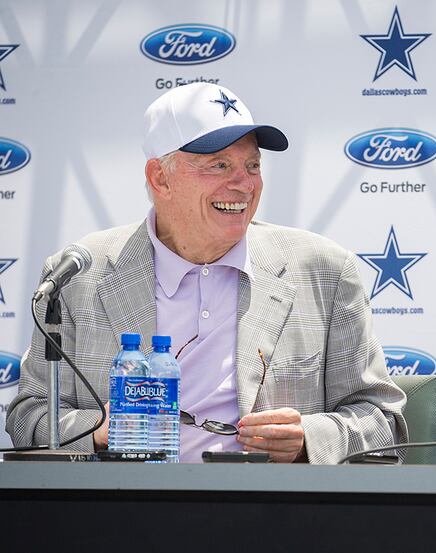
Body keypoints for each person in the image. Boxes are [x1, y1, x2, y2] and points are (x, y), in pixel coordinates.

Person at [7, 83, 407, 463]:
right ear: (160, 178)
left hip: (271, 515)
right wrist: (97, 430)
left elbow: (383, 421)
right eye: (219, 165)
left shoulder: (325, 271)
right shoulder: (79, 274)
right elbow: (28, 416)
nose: (244, 184)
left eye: (252, 165)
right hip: (125, 513)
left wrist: (309, 439)